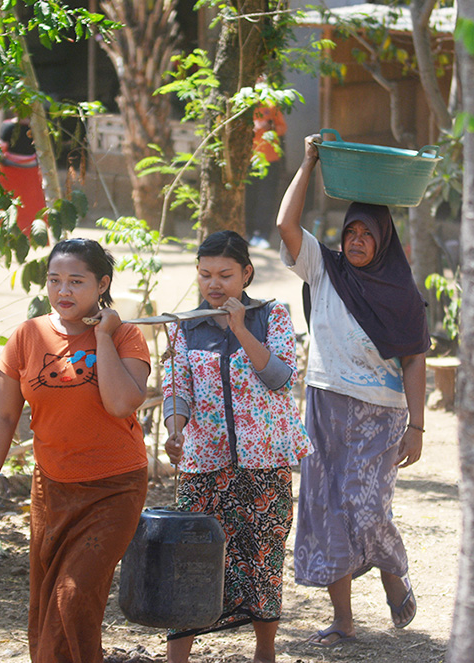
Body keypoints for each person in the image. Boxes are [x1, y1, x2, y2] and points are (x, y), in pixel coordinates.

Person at [276, 135, 429, 647]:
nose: (357, 240)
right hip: (323, 405)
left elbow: (413, 363)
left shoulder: (403, 294)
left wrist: (417, 427)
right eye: (351, 231)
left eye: (368, 233)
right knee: (324, 510)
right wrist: (308, 161)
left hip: (381, 416)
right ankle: (343, 621)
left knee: (367, 509)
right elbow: (285, 225)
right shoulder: (325, 271)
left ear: (384, 239)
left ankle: (392, 570)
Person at [0, 238, 151, 663]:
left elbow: (121, 402)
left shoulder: (125, 335)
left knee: (74, 596)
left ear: (102, 284)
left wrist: (102, 335)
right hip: (51, 490)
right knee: (46, 601)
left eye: (76, 281)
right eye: (54, 281)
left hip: (115, 489)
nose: (63, 291)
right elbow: (2, 419)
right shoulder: (27, 336)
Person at [163, 230, 311, 663]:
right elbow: (178, 388)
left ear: (246, 274)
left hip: (264, 463)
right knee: (188, 562)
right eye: (206, 274)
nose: (214, 284)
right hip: (204, 463)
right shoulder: (185, 326)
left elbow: (281, 377)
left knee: (263, 560)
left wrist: (241, 328)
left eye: (225, 275)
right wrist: (175, 428)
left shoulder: (274, 315)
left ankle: (264, 653)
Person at [245, 86, 287, 250]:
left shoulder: (271, 104)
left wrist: (267, 126)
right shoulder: (244, 103)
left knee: (266, 197)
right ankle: (247, 232)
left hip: (269, 159)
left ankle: (262, 234)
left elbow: (283, 128)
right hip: (248, 159)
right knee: (249, 196)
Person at [0, 114, 46, 237]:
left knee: (9, 205)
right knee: (30, 205)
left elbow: (1, 149)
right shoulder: (37, 128)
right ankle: (31, 236)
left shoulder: (8, 126)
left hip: (9, 173)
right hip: (30, 173)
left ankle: (7, 235)